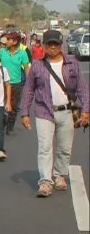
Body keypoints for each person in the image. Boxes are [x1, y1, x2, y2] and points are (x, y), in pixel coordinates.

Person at [20, 30, 90, 197]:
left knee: (64, 147)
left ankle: (59, 175)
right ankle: (45, 181)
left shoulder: (72, 63)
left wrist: (86, 110)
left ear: (61, 45)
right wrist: (24, 113)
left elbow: (82, 89)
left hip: (66, 111)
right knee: (45, 148)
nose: (52, 47)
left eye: (56, 44)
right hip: (44, 112)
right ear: (43, 45)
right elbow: (29, 90)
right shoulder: (37, 65)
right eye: (49, 44)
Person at [0, 31, 31, 134]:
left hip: (16, 84)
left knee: (14, 106)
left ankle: (10, 127)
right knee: (2, 105)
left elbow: (26, 68)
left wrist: (30, 83)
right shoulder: (2, 52)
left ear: (15, 41)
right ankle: (2, 121)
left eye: (9, 39)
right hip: (3, 84)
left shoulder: (22, 53)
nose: (6, 41)